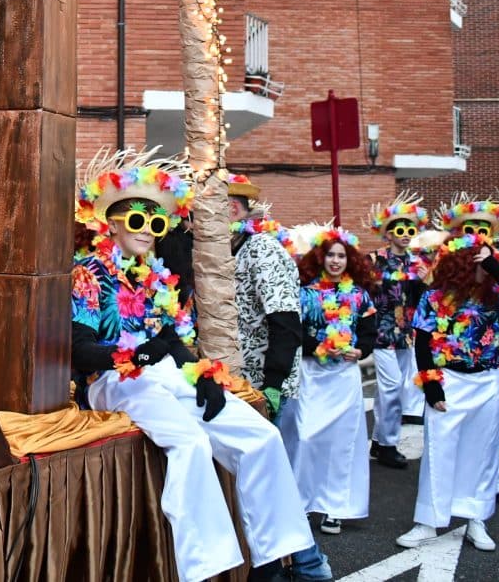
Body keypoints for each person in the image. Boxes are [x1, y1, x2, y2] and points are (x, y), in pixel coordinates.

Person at [70, 150, 314, 582]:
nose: (147, 231)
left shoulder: (157, 277)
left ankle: (273, 560)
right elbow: (80, 348)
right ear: (111, 223)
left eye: (156, 223)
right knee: (191, 444)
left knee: (262, 436)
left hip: (161, 372)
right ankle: (203, 570)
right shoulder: (89, 273)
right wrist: (131, 356)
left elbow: (175, 342)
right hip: (112, 379)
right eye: (136, 220)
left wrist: (203, 376)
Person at [224, 173, 333, 582]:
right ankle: (272, 565)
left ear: (232, 210)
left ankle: (308, 565)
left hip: (265, 388)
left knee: (272, 479)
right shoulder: (218, 254)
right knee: (255, 479)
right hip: (233, 385)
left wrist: (270, 387)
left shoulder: (263, 251)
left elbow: (287, 324)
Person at [397, 235, 499, 553]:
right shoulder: (433, 297)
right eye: (479, 263)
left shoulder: (496, 295)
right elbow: (422, 342)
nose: (485, 270)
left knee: (482, 452)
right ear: (461, 266)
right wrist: (431, 386)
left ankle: (476, 518)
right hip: (449, 379)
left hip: (486, 380)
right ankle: (428, 520)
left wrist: (493, 265)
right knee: (439, 451)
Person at [280, 226, 377, 535]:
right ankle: (302, 502)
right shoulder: (305, 294)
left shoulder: (360, 296)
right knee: (306, 438)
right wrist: (319, 348)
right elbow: (293, 334)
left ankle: (336, 508)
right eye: (331, 255)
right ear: (321, 258)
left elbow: (370, 334)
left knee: (341, 443)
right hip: (312, 375)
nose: (336, 261)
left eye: (342, 256)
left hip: (344, 378)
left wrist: (361, 350)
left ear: (349, 261)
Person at [433, 195, 499, 507]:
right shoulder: (448, 256)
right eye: (470, 228)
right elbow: (436, 297)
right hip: (455, 353)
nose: (476, 234)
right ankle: (461, 481)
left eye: (483, 229)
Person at [366, 194, 429, 468]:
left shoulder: (418, 263)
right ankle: (390, 444)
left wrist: (426, 282)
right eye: (400, 230)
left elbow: (423, 299)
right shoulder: (374, 260)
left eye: (410, 230)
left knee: (391, 390)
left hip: (404, 334)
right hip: (381, 333)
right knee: (391, 388)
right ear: (389, 234)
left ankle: (379, 442)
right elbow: (362, 293)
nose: (405, 235)